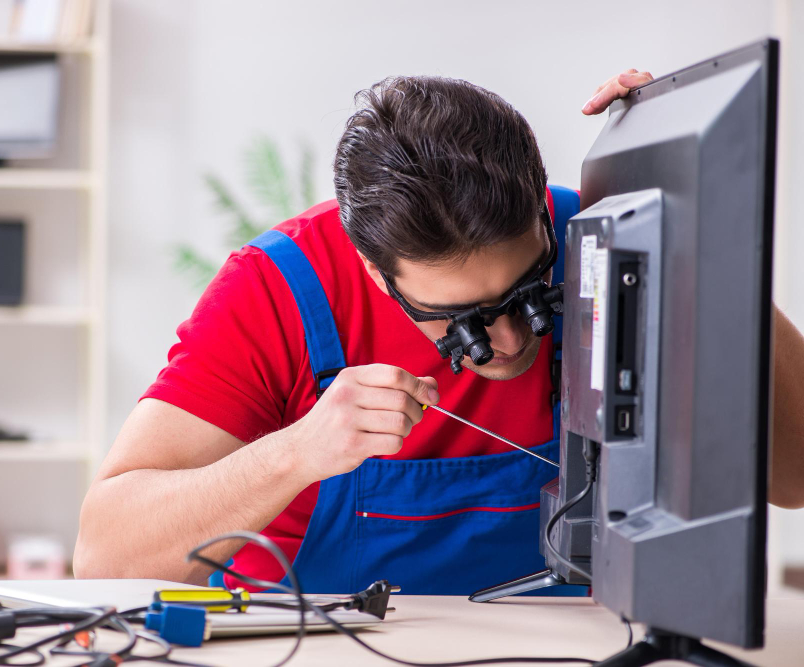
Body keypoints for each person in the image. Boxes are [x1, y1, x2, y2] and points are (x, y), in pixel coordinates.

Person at [74, 71, 804, 594]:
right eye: (462, 324)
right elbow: (105, 553)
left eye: (529, 294)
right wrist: (297, 452)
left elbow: (795, 477)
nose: (513, 342)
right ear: (372, 269)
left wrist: (705, 233)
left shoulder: (606, 238)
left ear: (545, 219)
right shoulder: (278, 289)